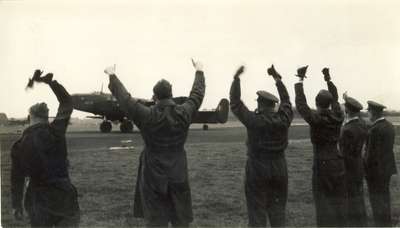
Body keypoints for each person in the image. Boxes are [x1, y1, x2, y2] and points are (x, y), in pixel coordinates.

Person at [103, 60, 205, 227]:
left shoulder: (147, 115)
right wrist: (199, 71)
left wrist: (112, 76)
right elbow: (196, 95)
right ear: (171, 94)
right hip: (178, 173)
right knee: (180, 221)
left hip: (153, 177)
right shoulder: (184, 112)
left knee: (156, 223)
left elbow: (125, 100)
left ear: (155, 97)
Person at [11, 69, 80, 227]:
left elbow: (17, 179)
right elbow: (67, 102)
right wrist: (51, 83)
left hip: (38, 201)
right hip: (64, 196)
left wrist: (16, 205)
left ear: (30, 117)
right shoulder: (56, 131)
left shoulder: (19, 146)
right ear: (46, 117)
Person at [230, 65, 293, 227]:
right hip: (279, 167)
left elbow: (236, 104)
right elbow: (286, 101)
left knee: (257, 212)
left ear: (260, 104)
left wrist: (236, 79)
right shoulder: (284, 119)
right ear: (273, 105)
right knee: (278, 212)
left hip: (257, 168)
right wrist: (277, 79)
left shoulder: (254, 120)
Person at [294, 66, 347, 227]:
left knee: (323, 205)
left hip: (322, 163)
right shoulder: (338, 115)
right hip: (337, 161)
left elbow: (301, 104)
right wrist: (328, 79)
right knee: (339, 202)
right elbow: (336, 98)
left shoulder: (316, 119)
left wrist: (300, 79)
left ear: (316, 103)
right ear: (330, 104)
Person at [364, 100, 397, 226]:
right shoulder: (389, 125)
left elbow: (370, 154)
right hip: (387, 168)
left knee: (376, 199)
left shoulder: (375, 129)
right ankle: (386, 222)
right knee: (384, 196)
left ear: (373, 112)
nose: (368, 114)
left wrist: (365, 169)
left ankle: (380, 223)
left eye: (369, 111)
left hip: (375, 171)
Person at [339, 93, 367, 226]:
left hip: (349, 166)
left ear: (347, 110)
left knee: (350, 196)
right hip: (358, 164)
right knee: (358, 195)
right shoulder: (361, 124)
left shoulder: (347, 130)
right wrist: (346, 99)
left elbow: (344, 152)